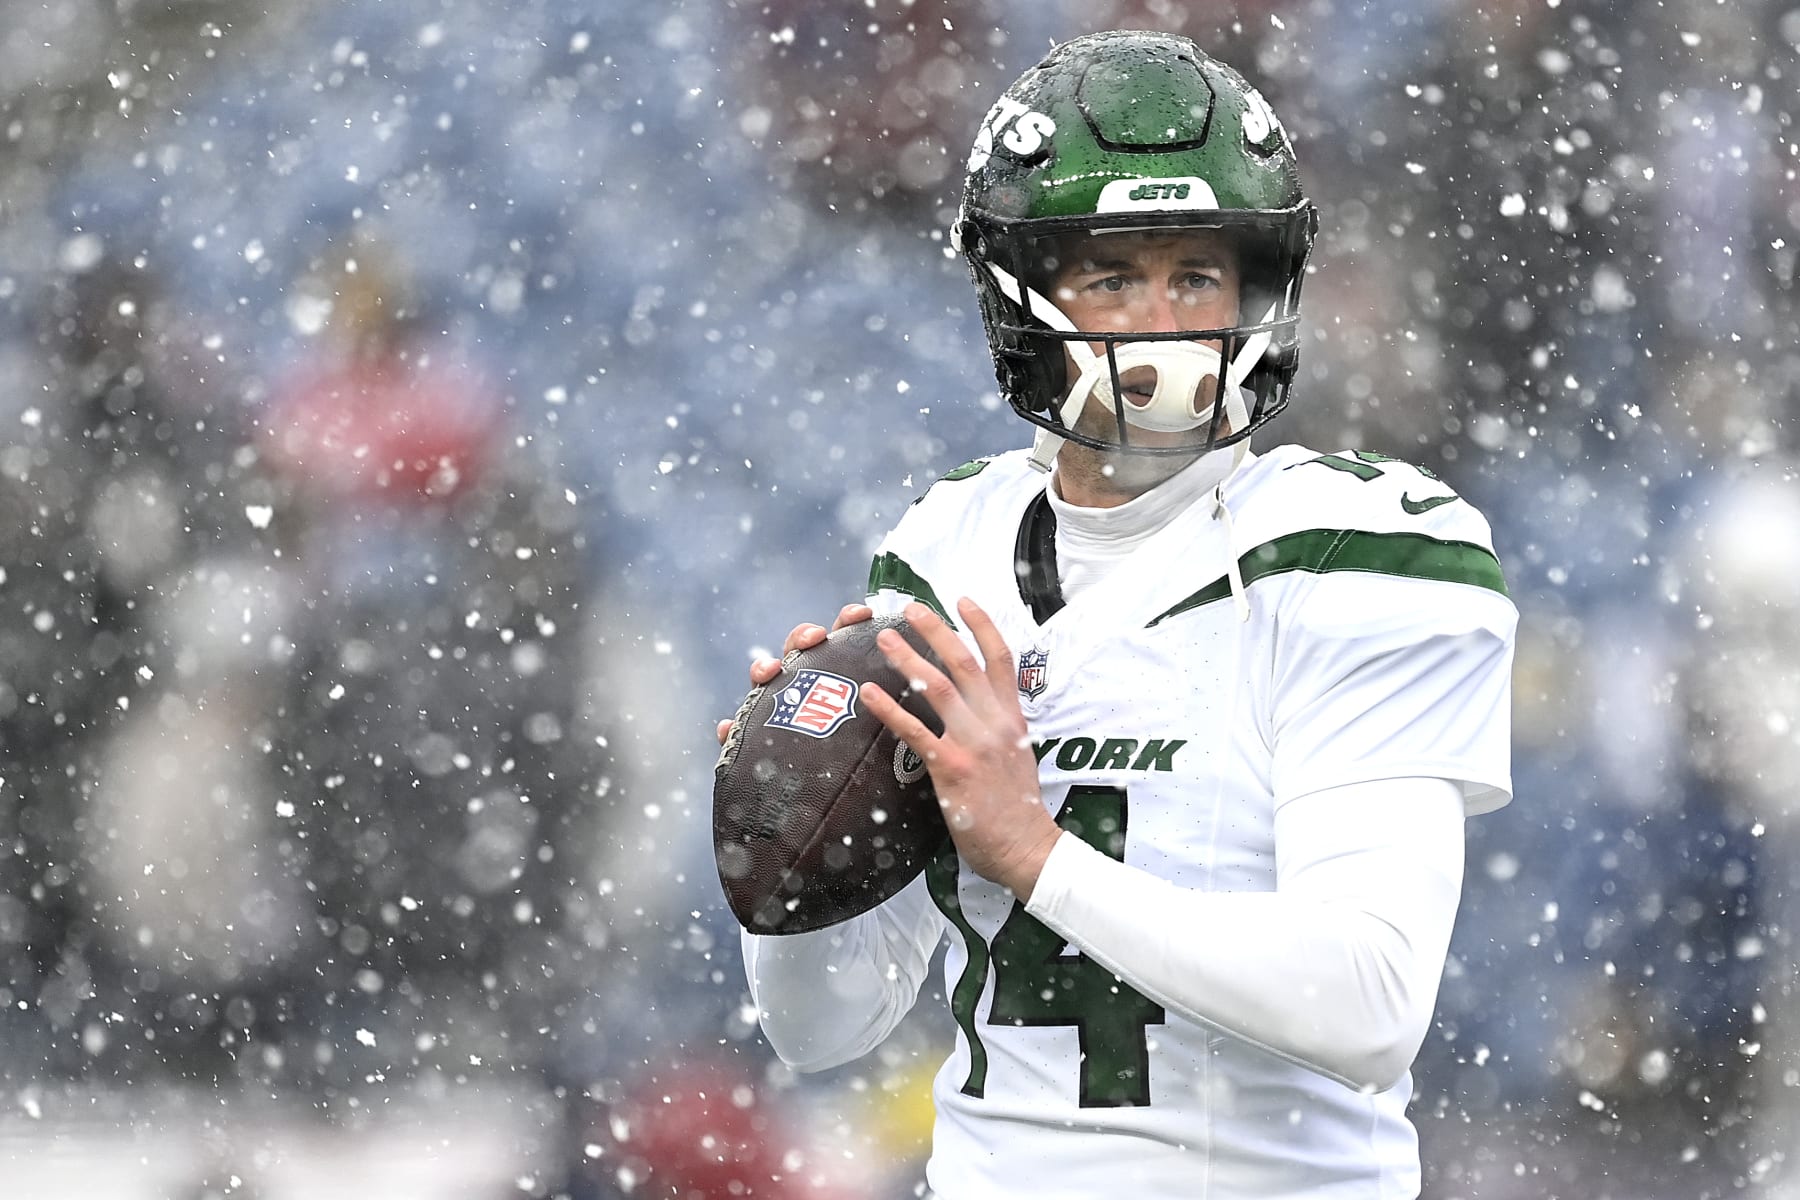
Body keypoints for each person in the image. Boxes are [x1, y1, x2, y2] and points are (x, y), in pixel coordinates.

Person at [718, 30, 1517, 1198]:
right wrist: (787, 840)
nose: (1162, 320)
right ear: (1024, 294)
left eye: (1195, 275)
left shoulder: (1359, 547)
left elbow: (1368, 1002)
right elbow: (824, 1028)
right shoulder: (945, 549)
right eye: (1112, 277)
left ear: (1258, 289)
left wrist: (1035, 854)